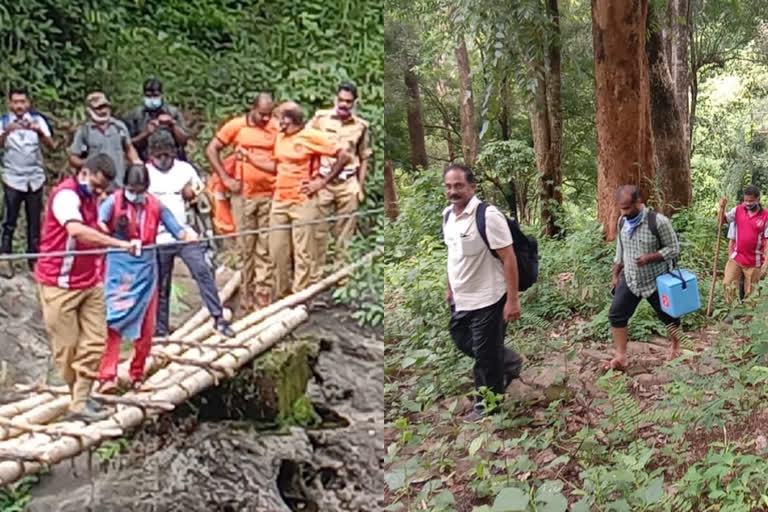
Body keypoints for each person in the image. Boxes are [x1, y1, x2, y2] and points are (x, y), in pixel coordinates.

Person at [35, 154, 140, 421]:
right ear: (85, 173)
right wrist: (119, 245)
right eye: (96, 186)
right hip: (59, 284)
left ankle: (80, 402)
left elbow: (96, 228)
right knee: (67, 349)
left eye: (103, 188)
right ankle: (79, 397)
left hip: (90, 282)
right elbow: (77, 231)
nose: (99, 192)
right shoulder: (66, 196)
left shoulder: (92, 198)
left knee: (95, 342)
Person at [96, 164, 197, 393]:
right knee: (114, 319)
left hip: (146, 270)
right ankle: (107, 375)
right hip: (119, 268)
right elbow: (100, 225)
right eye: (133, 189)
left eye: (140, 189)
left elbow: (177, 230)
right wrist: (104, 234)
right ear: (126, 187)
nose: (136, 194)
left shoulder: (155, 205)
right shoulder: (113, 202)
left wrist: (187, 235)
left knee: (146, 326)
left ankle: (137, 373)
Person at [442, 164, 523, 422]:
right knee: (462, 339)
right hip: (462, 297)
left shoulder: (488, 216)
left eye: (459, 186)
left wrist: (512, 300)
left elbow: (508, 258)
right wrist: (449, 286)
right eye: (448, 186)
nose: (453, 191)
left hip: (489, 297)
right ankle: (508, 363)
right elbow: (453, 255)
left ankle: (486, 407)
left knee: (485, 357)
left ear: (472, 187)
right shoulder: (448, 216)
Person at [146, 132, 235, 338]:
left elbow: (204, 199)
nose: (163, 160)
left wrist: (192, 195)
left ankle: (218, 318)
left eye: (166, 155)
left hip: (186, 235)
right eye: (158, 156)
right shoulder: (145, 173)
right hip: (157, 238)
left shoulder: (184, 170)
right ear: (151, 155)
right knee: (161, 284)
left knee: (202, 271)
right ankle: (160, 330)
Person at [266, 102, 350, 300]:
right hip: (280, 199)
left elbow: (344, 155)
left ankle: (299, 298)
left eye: (280, 119)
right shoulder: (280, 136)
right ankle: (281, 295)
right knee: (277, 251)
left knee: (304, 252)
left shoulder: (311, 136)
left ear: (291, 120)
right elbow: (278, 164)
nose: (277, 123)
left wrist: (321, 182)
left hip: (303, 200)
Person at [205, 93, 278, 310]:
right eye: (262, 114)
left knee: (265, 246)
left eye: (269, 115)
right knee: (246, 245)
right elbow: (212, 149)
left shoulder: (275, 127)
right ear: (252, 109)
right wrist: (226, 178)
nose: (266, 119)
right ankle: (245, 292)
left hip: (269, 194)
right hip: (244, 195)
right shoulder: (236, 126)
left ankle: (263, 291)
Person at [606, 185, 681, 370]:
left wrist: (650, 257)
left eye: (627, 208)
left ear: (638, 202)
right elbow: (620, 250)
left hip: (656, 280)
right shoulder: (622, 221)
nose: (623, 213)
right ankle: (621, 355)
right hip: (630, 279)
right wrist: (616, 274)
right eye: (621, 208)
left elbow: (674, 248)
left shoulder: (658, 222)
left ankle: (676, 346)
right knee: (616, 314)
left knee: (670, 317)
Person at [307, 82, 372, 280]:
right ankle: (315, 278)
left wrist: (359, 187)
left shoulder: (361, 126)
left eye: (348, 102)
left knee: (345, 233)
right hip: (323, 182)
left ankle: (341, 279)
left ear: (354, 103)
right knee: (317, 231)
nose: (344, 104)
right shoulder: (320, 119)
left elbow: (363, 157)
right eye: (341, 100)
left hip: (347, 183)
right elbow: (305, 143)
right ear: (336, 99)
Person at [0, 86, 55, 276]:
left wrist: (40, 132)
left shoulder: (38, 120)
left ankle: (34, 260)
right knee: (9, 220)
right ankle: (5, 258)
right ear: (10, 103)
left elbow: (52, 146)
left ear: (28, 103)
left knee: (34, 222)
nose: (19, 106)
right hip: (13, 178)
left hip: (35, 179)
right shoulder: (3, 121)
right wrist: (6, 132)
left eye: (22, 102)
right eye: (15, 102)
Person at [69, 92, 141, 189]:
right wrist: (88, 163)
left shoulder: (119, 127)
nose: (103, 111)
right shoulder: (84, 131)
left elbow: (129, 148)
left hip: (118, 185)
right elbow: (73, 158)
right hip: (96, 186)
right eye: (99, 108)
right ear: (90, 110)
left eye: (105, 107)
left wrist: (137, 163)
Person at [719, 186, 768, 312]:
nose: (747, 203)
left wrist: (765, 264)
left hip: (754, 260)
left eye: (751, 201)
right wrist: (722, 208)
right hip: (737, 256)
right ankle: (733, 311)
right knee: (728, 283)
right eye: (745, 200)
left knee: (751, 292)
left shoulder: (766, 216)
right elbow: (721, 221)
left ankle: (748, 316)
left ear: (758, 199)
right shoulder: (738, 210)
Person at [123, 78, 189, 162]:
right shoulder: (135, 115)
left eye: (155, 96)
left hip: (174, 160)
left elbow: (184, 140)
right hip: (146, 161)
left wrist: (173, 124)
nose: (152, 99)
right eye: (148, 96)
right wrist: (146, 133)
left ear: (161, 95)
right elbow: (129, 144)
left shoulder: (173, 112)